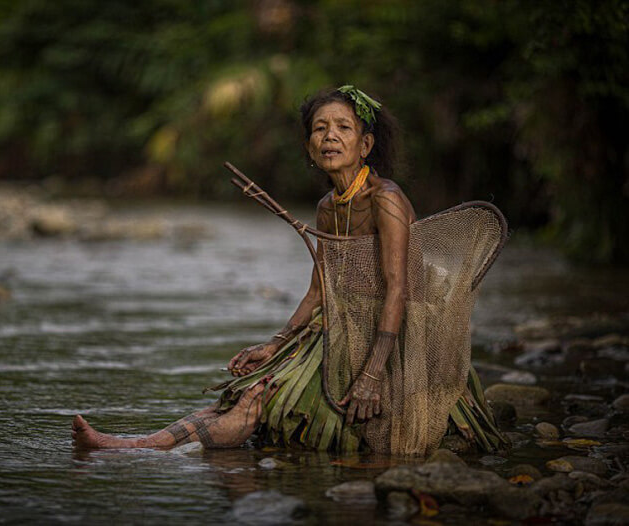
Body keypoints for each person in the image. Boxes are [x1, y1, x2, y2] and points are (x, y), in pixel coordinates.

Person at [72, 86, 507, 454]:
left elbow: (398, 289)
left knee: (257, 404)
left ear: (366, 145)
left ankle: (134, 446)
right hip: (341, 324)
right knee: (246, 390)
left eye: (343, 128)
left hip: (400, 337)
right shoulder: (325, 208)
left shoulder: (385, 200)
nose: (329, 137)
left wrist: (373, 376)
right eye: (320, 129)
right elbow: (319, 291)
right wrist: (275, 343)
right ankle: (129, 445)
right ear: (309, 147)